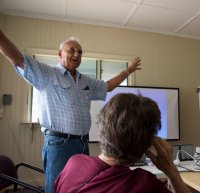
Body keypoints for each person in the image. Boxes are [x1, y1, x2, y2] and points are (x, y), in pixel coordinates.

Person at [0, 30, 141, 193]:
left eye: (80, 52)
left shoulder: (85, 80)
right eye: (71, 50)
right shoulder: (47, 74)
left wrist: (128, 71)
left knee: (81, 188)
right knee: (56, 189)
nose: (76, 54)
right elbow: (18, 59)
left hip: (82, 144)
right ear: (60, 54)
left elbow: (107, 86)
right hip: (59, 144)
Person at [55, 93, 190, 193]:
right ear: (147, 145)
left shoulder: (74, 163)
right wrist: (171, 170)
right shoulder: (145, 185)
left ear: (100, 132)